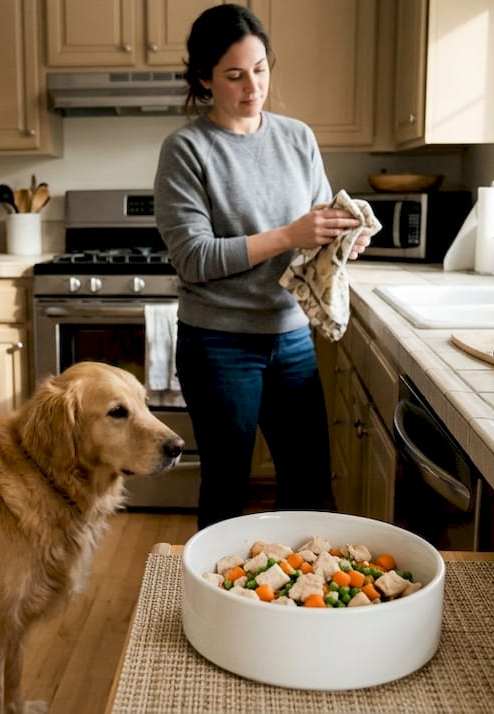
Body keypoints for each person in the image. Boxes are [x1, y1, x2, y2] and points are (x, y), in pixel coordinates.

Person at [153, 3, 371, 528]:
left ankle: (283, 580)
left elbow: (315, 227)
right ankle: (217, 581)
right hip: (218, 343)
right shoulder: (187, 149)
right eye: (234, 75)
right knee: (227, 487)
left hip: (290, 336)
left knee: (308, 484)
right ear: (204, 78)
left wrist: (340, 240)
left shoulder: (298, 138)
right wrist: (291, 235)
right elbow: (194, 258)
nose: (252, 87)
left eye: (259, 69)